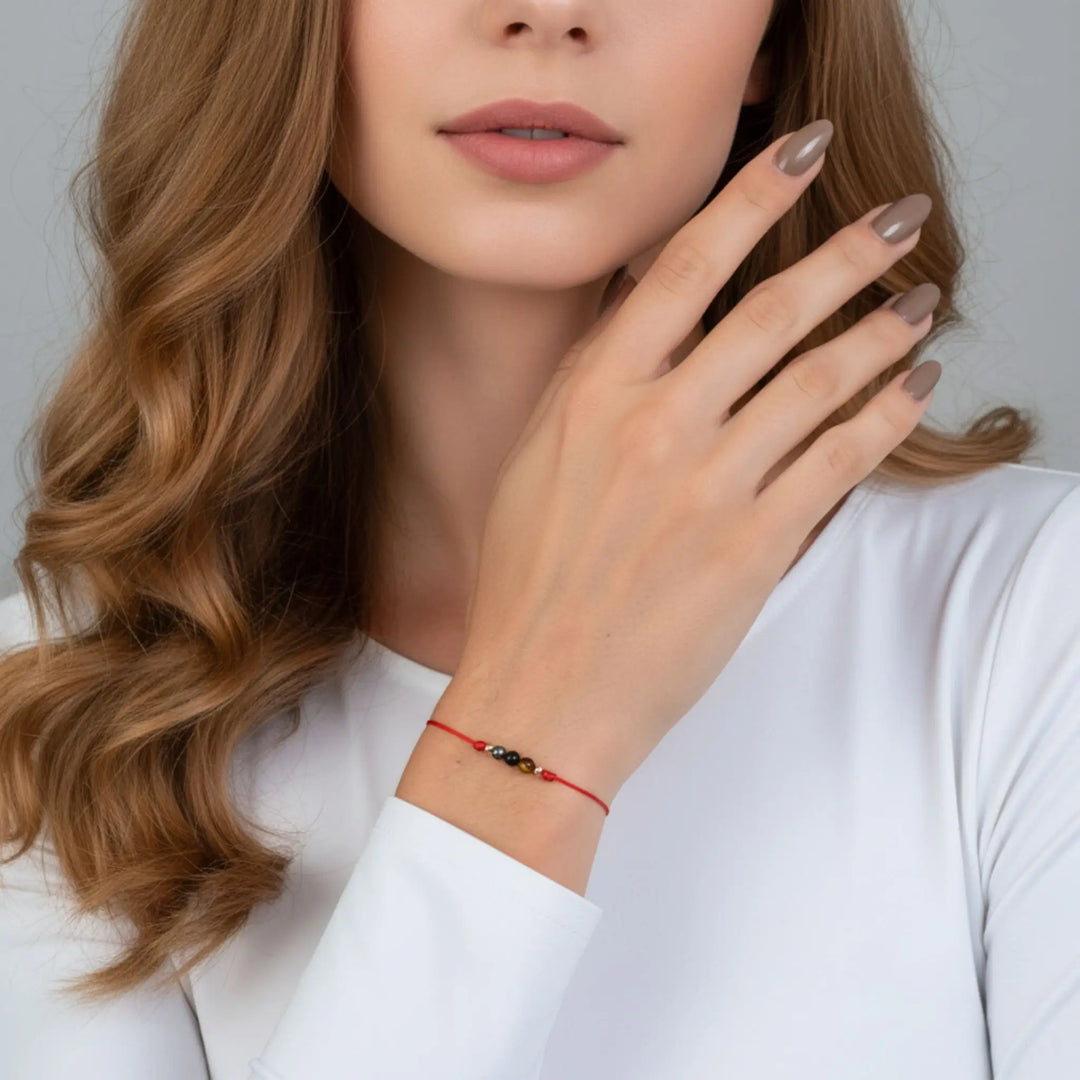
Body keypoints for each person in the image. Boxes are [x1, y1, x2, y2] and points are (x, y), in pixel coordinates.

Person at [0, 0, 1076, 1077]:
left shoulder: (1033, 607)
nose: (548, 13)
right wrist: (536, 725)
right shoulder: (56, 715)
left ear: (773, 41)